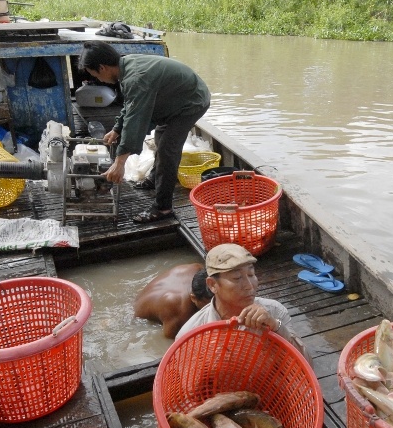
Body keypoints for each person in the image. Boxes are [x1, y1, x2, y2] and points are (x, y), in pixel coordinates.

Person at [78, 41, 211, 224]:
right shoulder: (126, 68)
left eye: (95, 75)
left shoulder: (135, 78)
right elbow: (131, 105)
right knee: (159, 137)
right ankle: (154, 179)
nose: (99, 80)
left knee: (167, 151)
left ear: (102, 67)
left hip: (191, 102)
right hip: (172, 100)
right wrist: (116, 129)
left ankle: (163, 208)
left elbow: (135, 121)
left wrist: (119, 163)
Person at [175, 244, 307, 358]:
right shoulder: (190, 334)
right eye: (237, 278)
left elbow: (306, 366)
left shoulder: (274, 311)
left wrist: (276, 327)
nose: (249, 285)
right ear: (212, 285)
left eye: (251, 274)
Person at [133, 263, 212, 339]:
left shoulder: (199, 269)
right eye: (209, 305)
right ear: (194, 299)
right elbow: (172, 340)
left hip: (160, 290)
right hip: (139, 314)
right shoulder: (179, 308)